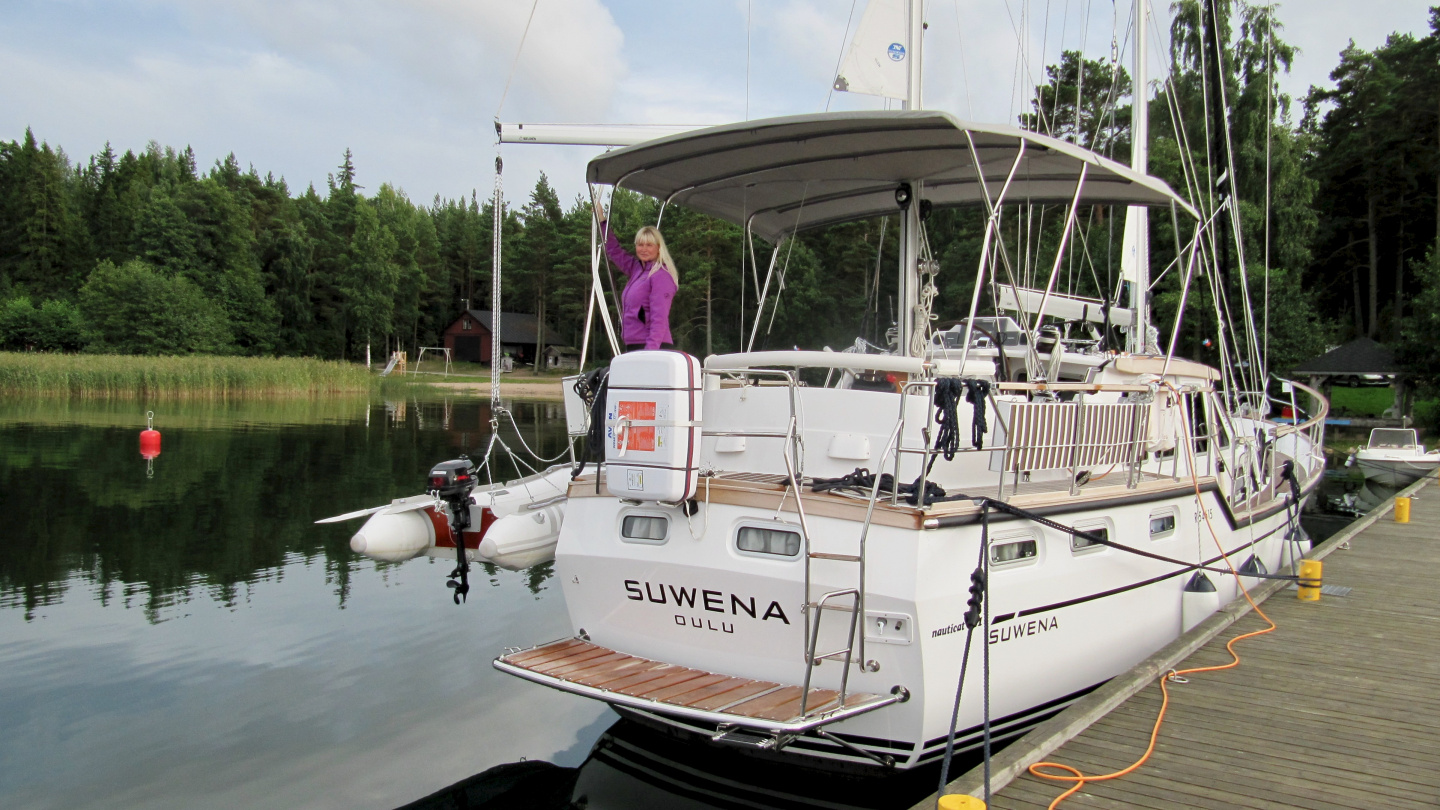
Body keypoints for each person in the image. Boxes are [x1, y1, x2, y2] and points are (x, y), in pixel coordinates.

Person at [595, 200, 678, 351]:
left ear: (659, 248)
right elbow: (614, 251)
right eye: (640, 244)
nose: (643, 249)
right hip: (633, 343)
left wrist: (650, 351)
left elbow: (659, 317)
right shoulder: (636, 269)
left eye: (649, 245)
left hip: (652, 346)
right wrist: (602, 219)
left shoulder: (661, 276)